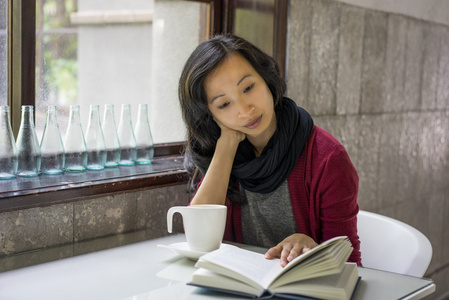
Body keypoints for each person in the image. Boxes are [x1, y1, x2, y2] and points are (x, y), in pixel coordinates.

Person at [178, 34, 361, 267]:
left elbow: (350, 265)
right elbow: (199, 240)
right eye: (224, 104)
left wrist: (311, 246)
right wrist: (227, 145)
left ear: (266, 79)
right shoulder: (224, 154)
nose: (245, 110)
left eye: (248, 87)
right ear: (210, 115)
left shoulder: (328, 160)